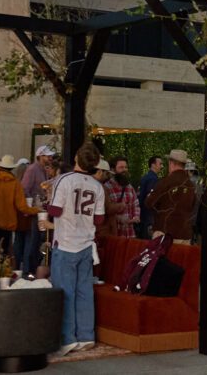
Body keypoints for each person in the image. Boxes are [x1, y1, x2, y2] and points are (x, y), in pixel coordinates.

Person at [46, 142, 105, 356]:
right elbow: (99, 219)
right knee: (84, 291)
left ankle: (68, 338)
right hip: (86, 244)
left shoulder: (64, 180)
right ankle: (86, 335)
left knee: (65, 291)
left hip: (66, 242)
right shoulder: (97, 186)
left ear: (77, 159)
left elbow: (54, 209)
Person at [0, 155, 40, 257]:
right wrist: (36, 210)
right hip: (7, 223)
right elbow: (22, 207)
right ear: (12, 168)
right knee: (3, 253)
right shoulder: (15, 183)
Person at [146, 149, 197, 243]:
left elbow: (149, 203)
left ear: (171, 163)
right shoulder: (190, 185)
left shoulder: (166, 182)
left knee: (165, 258)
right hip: (185, 234)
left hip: (166, 235)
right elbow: (193, 206)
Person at [21, 145, 56, 273]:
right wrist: (32, 205)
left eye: (50, 156)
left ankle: (34, 270)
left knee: (39, 242)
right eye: (47, 156)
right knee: (33, 242)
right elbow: (24, 189)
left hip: (42, 211)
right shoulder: (32, 169)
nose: (50, 158)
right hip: (36, 212)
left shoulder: (44, 170)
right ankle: (29, 271)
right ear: (40, 156)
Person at [105, 156, 140, 238]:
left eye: (126, 167)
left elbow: (136, 204)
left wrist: (136, 216)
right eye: (121, 167)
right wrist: (119, 218)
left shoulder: (129, 187)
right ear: (113, 170)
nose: (124, 170)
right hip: (115, 234)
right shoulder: (107, 187)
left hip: (130, 233)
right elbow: (106, 210)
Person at [137, 156, 163, 238]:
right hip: (149, 216)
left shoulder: (145, 177)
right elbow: (151, 199)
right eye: (160, 164)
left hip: (143, 214)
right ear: (153, 165)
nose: (162, 166)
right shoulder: (152, 179)